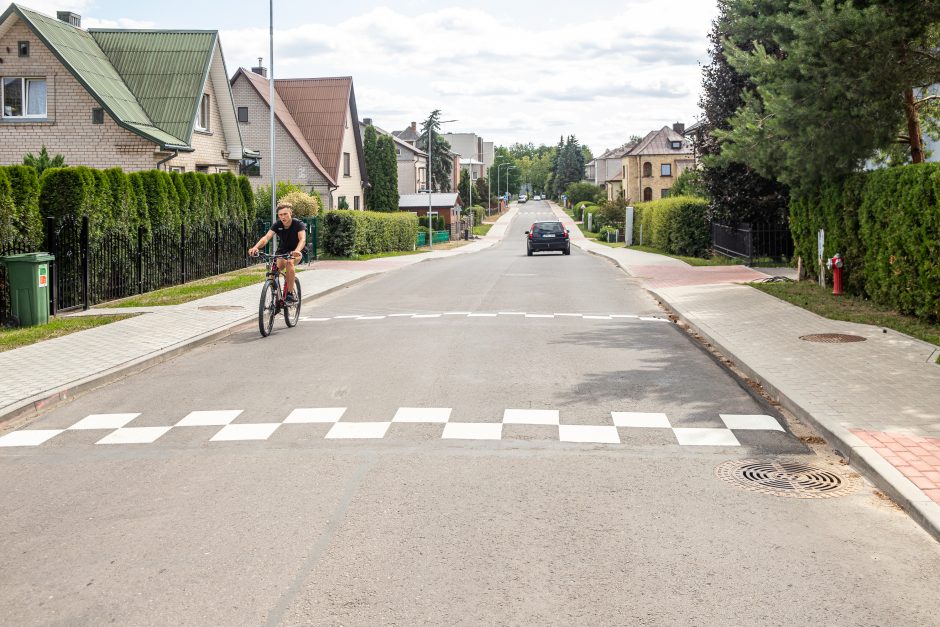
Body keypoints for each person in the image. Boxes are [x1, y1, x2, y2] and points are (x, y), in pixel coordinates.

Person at [248, 202, 305, 303]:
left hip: (296, 251)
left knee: (289, 263)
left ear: (290, 213)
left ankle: (290, 294)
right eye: (280, 215)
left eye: (285, 214)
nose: (283, 217)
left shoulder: (298, 224)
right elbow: (266, 238)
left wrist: (297, 251)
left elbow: (302, 239)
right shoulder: (277, 225)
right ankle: (275, 297)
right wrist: (255, 247)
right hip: (282, 251)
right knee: (273, 272)